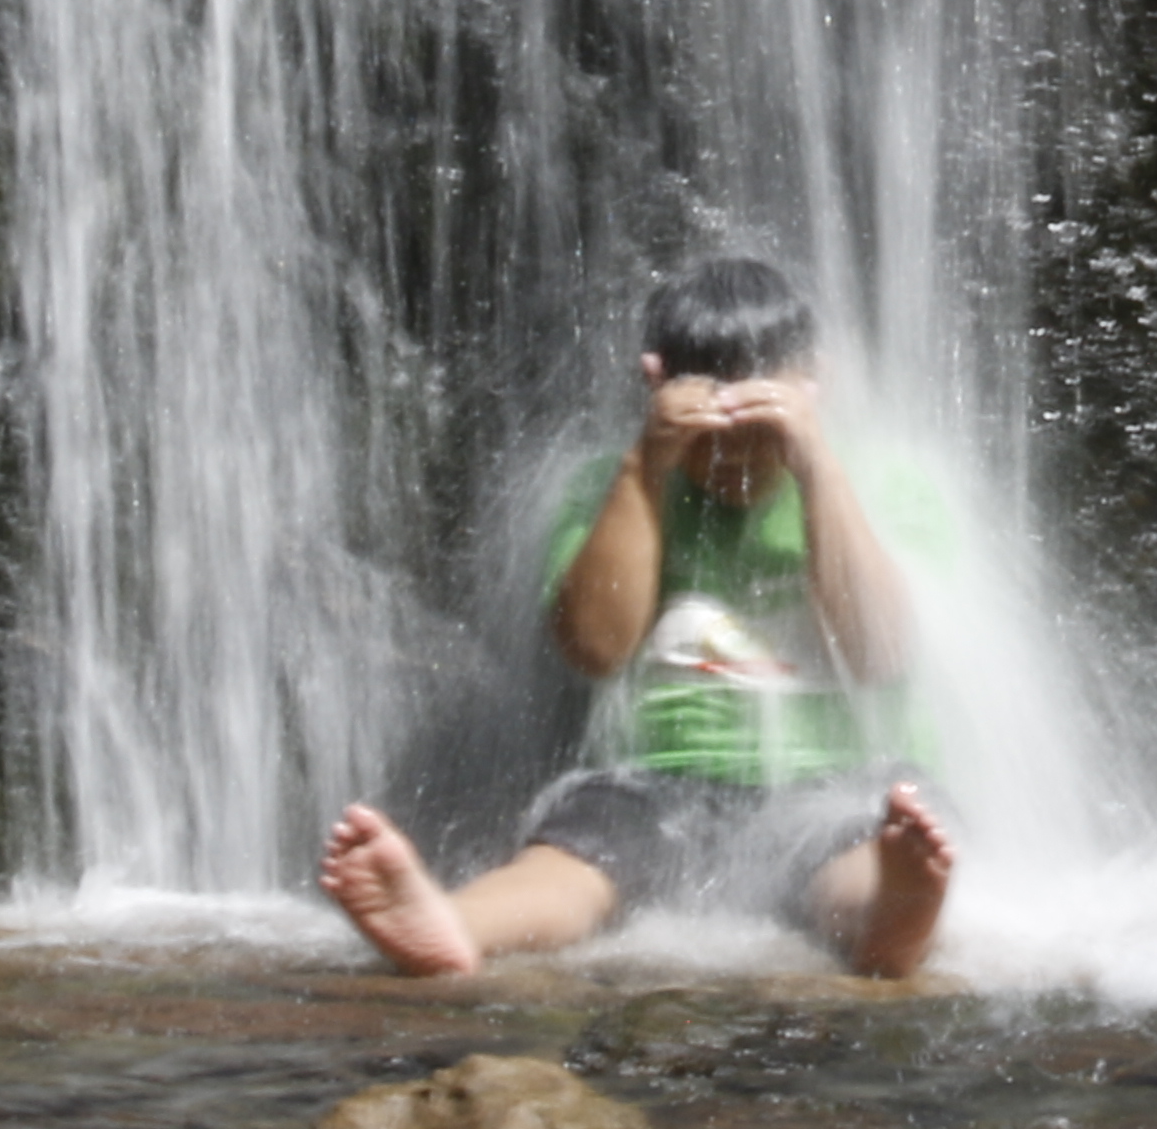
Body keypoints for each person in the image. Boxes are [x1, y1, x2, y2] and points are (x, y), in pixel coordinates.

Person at [319, 252, 959, 977]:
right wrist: (645, 469)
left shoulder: (883, 482)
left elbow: (879, 652)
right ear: (656, 383)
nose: (737, 463)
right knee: (568, 866)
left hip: (844, 779)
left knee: (861, 856)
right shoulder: (612, 485)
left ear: (816, 382)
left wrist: (813, 461)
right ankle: (453, 923)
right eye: (712, 442)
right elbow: (595, 648)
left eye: (760, 434)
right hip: (657, 781)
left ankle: (894, 911)